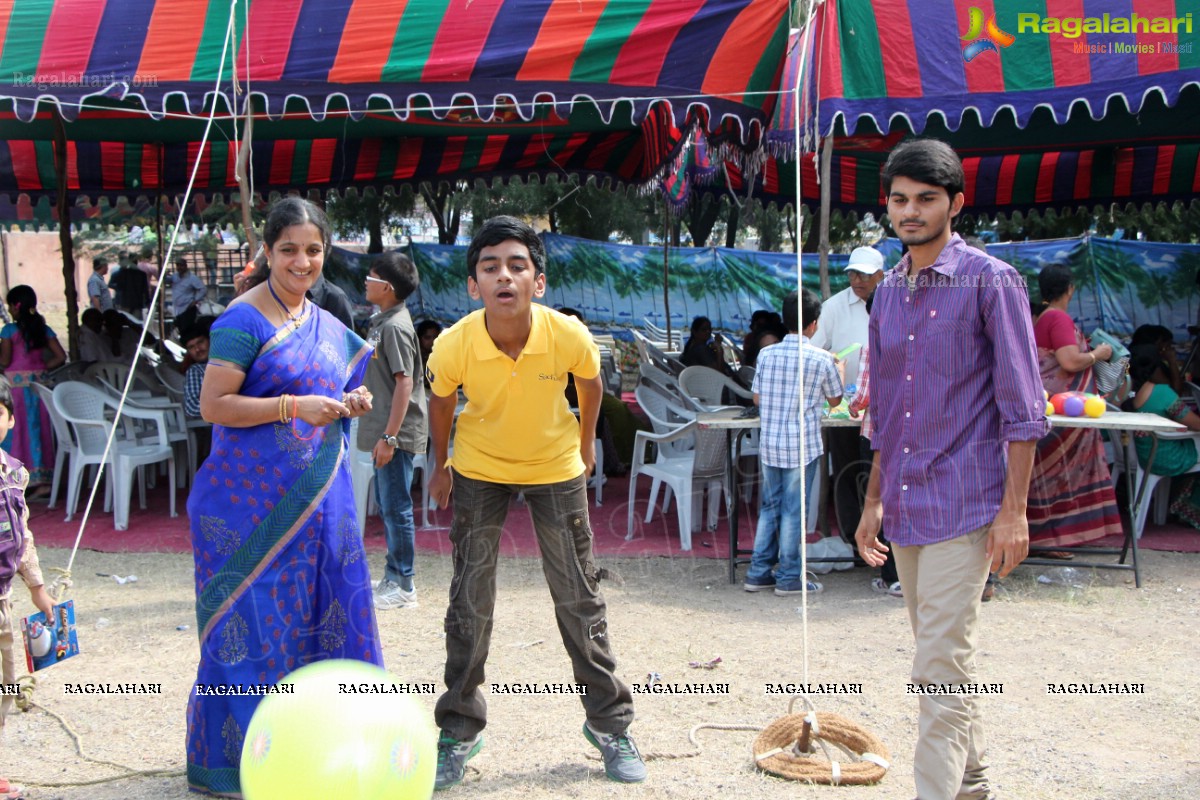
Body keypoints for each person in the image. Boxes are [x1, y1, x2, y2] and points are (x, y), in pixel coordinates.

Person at [855, 138, 1048, 800]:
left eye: (925, 199)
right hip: (906, 504)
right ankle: (973, 782)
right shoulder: (886, 295)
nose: (910, 212)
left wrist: (1014, 513)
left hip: (967, 505)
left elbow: (1024, 410)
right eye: (899, 200)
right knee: (944, 658)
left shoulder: (992, 282)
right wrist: (872, 503)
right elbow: (887, 412)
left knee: (937, 662)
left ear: (955, 203)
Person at [426, 216, 645, 790]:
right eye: (490, 266)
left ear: (538, 282)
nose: (504, 276)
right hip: (478, 469)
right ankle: (458, 730)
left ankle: (611, 725)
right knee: (469, 600)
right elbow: (442, 400)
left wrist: (585, 443)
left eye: (517, 265)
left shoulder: (567, 334)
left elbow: (592, 385)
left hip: (555, 469)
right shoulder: (454, 343)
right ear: (473, 285)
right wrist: (439, 463)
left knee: (579, 595)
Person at [185, 197, 380, 797]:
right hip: (247, 508)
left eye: (314, 250)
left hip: (320, 507)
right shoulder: (242, 321)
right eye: (289, 249)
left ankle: (313, 757)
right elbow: (213, 405)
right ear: (266, 251)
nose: (302, 262)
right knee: (250, 627)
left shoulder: (323, 322)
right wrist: (294, 408)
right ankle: (238, 767)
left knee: (319, 623)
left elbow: (342, 385)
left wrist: (354, 404)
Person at [743, 289, 841, 596]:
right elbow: (836, 399)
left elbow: (757, 398)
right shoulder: (822, 358)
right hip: (802, 444)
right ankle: (788, 577)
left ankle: (758, 571)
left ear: (785, 321)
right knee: (793, 511)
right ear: (814, 324)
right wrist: (839, 369)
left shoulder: (766, 354)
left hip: (771, 442)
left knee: (771, 507)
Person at [1027, 264, 1123, 551]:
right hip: (1063, 414)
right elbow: (1069, 361)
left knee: (1049, 477)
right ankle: (1052, 540)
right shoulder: (1057, 318)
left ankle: (1050, 538)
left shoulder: (1044, 317)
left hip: (1056, 408)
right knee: (1058, 477)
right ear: (1070, 289)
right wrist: (1099, 354)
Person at [358, 252, 427, 610]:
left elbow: (405, 384)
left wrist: (390, 437)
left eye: (370, 277)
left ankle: (404, 583)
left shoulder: (395, 327)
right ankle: (392, 576)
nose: (365, 282)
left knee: (396, 506)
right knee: (386, 504)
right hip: (386, 427)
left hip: (395, 432)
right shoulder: (382, 320)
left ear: (385, 286)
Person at [0, 375, 55, 800]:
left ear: (11, 419)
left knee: (4, 685)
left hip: (3, 600)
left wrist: (37, 587)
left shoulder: (14, 473)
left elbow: (23, 536)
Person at [810, 246, 886, 544]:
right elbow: (813, 349)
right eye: (853, 273)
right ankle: (851, 541)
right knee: (846, 472)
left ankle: (880, 545)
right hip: (843, 408)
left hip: (883, 412)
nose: (857, 280)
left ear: (881, 275)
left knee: (877, 477)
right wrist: (831, 365)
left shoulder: (896, 302)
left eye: (864, 274)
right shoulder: (834, 307)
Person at [0, 286, 67, 493]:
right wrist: (39, 370)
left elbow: (5, 360)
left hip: (16, 391)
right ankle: (44, 481)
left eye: (10, 305)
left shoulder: (9, 331)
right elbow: (60, 356)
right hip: (40, 388)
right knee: (40, 431)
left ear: (15, 306)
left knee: (17, 432)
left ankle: (16, 478)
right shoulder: (42, 329)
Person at [1125, 351, 1200, 528]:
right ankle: (1190, 510)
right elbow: (1196, 424)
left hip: (1145, 453)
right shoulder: (1161, 392)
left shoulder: (1130, 392)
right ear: (1157, 369)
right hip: (1165, 456)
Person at [167, 257, 208, 336]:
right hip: (177, 309)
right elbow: (165, 281)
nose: (179, 267)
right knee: (179, 330)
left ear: (185, 266)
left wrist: (195, 300)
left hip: (187, 308)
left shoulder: (192, 278)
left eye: (181, 265)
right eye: (178, 265)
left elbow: (203, 289)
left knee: (187, 331)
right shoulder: (175, 277)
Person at [181, 318, 213, 419]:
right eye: (191, 347)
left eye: (200, 342)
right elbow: (191, 407)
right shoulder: (196, 370)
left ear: (209, 340)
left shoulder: (229, 360)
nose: (197, 349)